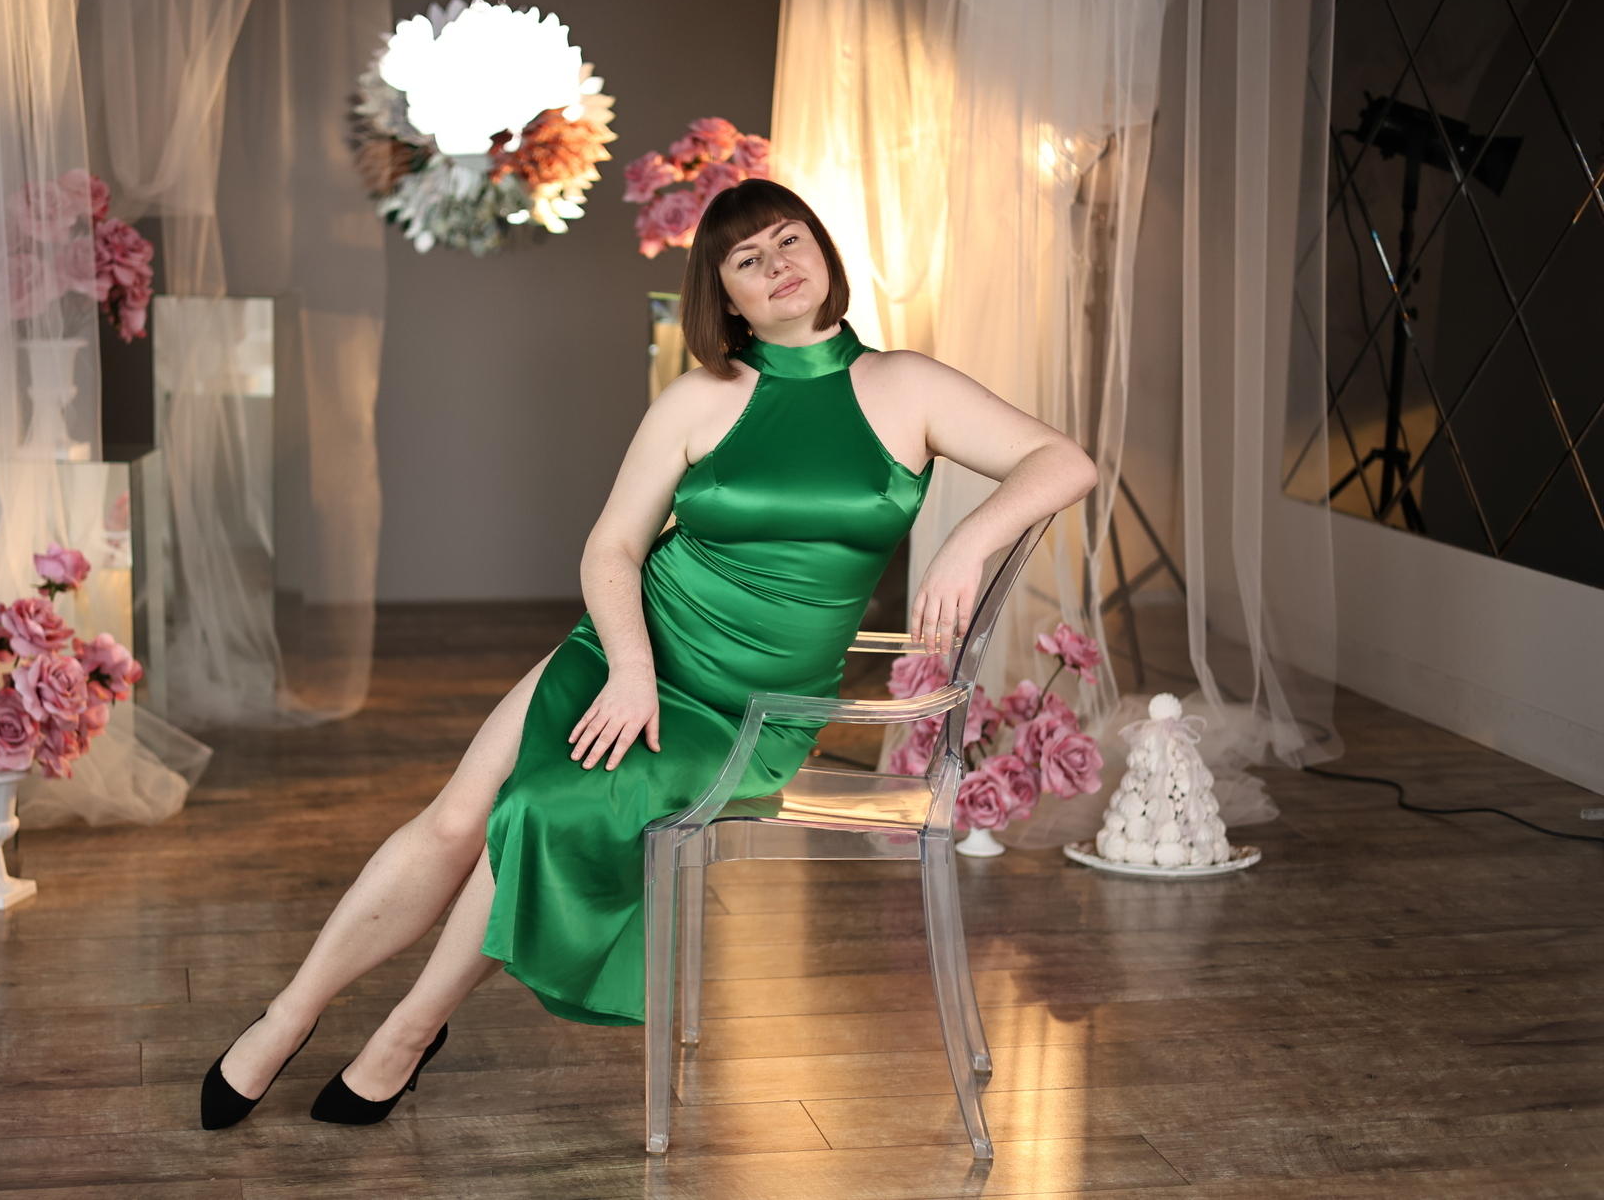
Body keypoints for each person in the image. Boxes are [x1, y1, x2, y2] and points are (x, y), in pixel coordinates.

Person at [200, 178, 1098, 1131]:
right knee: (456, 815)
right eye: (747, 259)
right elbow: (612, 547)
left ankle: (408, 1032)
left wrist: (968, 538)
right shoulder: (701, 396)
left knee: (541, 806)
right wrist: (630, 668)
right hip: (634, 647)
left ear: (824, 252)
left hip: (754, 711)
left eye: (790, 240)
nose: (777, 265)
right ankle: (287, 1014)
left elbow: (1064, 461)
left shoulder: (907, 385)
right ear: (727, 295)